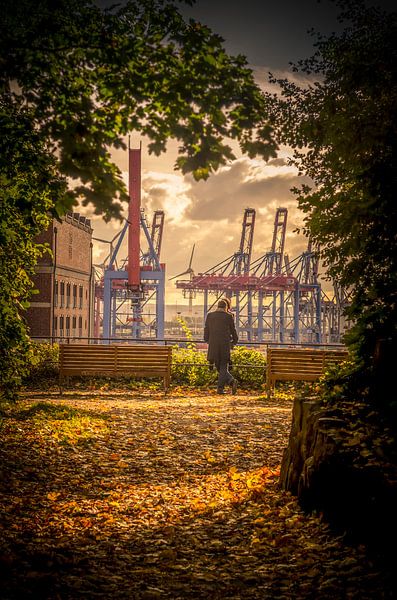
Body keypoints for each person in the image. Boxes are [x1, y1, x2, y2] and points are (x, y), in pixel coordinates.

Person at [204, 299, 238, 395]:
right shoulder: (229, 316)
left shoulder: (210, 315)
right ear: (226, 307)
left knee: (218, 366)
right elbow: (233, 330)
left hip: (213, 344)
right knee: (223, 366)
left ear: (217, 306)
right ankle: (230, 382)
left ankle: (222, 387)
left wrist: (207, 339)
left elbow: (206, 329)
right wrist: (234, 341)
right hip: (224, 345)